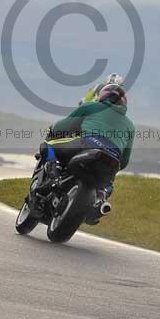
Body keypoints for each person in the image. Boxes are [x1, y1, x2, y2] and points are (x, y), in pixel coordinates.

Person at [42, 84, 134, 222]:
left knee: (47, 146)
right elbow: (125, 161)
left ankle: (54, 173)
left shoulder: (91, 106)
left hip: (87, 144)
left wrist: (54, 131)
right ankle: (100, 200)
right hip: (113, 158)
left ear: (103, 96)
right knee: (108, 183)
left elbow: (63, 127)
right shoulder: (130, 126)